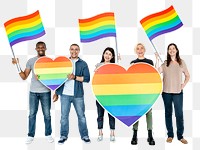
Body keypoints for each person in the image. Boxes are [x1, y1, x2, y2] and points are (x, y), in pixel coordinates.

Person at [12, 41, 54, 144]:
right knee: (31, 114)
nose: (41, 49)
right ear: (36, 49)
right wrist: (17, 65)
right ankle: (30, 135)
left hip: (45, 92)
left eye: (42, 47)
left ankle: (48, 134)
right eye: (39, 47)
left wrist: (44, 76)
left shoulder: (49, 61)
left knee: (47, 115)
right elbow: (24, 77)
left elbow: (54, 77)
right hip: (33, 92)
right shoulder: (31, 61)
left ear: (45, 48)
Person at [53, 43, 91, 144]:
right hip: (64, 94)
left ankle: (85, 135)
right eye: (72, 49)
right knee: (64, 116)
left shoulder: (83, 64)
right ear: (69, 50)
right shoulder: (64, 62)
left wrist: (75, 77)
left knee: (81, 116)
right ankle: (63, 135)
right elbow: (58, 78)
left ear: (79, 51)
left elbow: (87, 79)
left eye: (76, 49)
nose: (74, 51)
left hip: (78, 95)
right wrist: (56, 92)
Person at [155, 43, 190, 144]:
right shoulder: (165, 63)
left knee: (179, 114)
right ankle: (170, 135)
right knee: (168, 114)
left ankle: (180, 136)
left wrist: (183, 85)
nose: (171, 50)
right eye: (170, 49)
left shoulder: (181, 62)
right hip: (166, 93)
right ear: (168, 51)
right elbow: (156, 72)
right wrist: (157, 59)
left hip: (178, 93)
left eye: (173, 48)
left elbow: (188, 76)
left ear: (176, 50)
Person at [130, 43, 155, 145]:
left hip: (147, 92)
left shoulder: (149, 62)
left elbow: (154, 76)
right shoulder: (133, 62)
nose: (140, 50)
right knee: (136, 113)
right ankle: (134, 135)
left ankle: (150, 135)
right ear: (136, 51)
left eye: (141, 48)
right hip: (136, 92)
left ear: (144, 50)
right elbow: (130, 79)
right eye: (138, 49)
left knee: (149, 113)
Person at [95, 47, 116, 142]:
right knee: (100, 115)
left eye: (110, 54)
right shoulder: (98, 65)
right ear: (103, 54)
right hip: (100, 94)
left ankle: (112, 133)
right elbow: (96, 80)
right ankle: (100, 132)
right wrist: (96, 71)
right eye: (106, 53)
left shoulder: (114, 66)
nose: (107, 56)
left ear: (112, 57)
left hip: (111, 95)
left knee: (111, 114)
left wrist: (118, 65)